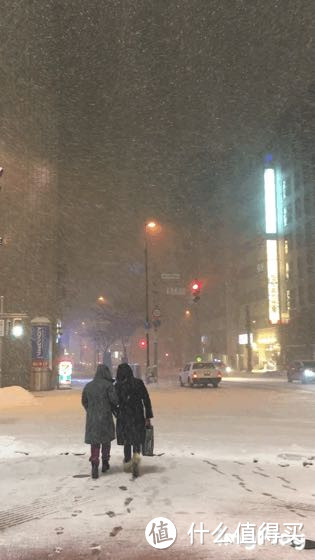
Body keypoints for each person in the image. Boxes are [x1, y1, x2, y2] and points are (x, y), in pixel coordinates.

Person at [116, 363, 153, 478]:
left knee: (127, 440)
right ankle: (136, 460)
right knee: (137, 440)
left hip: (124, 416)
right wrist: (148, 416)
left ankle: (127, 462)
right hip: (137, 415)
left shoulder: (118, 386)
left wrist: (116, 412)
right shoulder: (138, 383)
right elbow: (146, 400)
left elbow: (114, 402)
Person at [81, 364, 118, 479]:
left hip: (92, 418)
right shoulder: (108, 386)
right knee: (106, 440)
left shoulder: (88, 386)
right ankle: (105, 461)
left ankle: (94, 462)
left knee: (95, 442)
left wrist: (90, 410)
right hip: (105, 417)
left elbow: (84, 401)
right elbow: (115, 400)